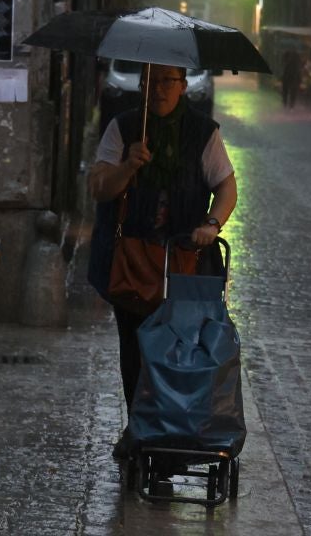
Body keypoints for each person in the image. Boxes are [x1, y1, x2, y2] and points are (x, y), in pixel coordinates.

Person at [87, 63, 238, 459]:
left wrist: (211, 224)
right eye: (151, 81)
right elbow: (98, 187)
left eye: (168, 81)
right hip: (131, 262)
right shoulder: (123, 128)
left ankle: (168, 430)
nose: (159, 90)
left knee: (176, 351)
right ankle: (139, 427)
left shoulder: (203, 132)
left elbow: (226, 186)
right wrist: (127, 166)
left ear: (183, 86)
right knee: (134, 347)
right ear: (142, 84)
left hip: (183, 264)